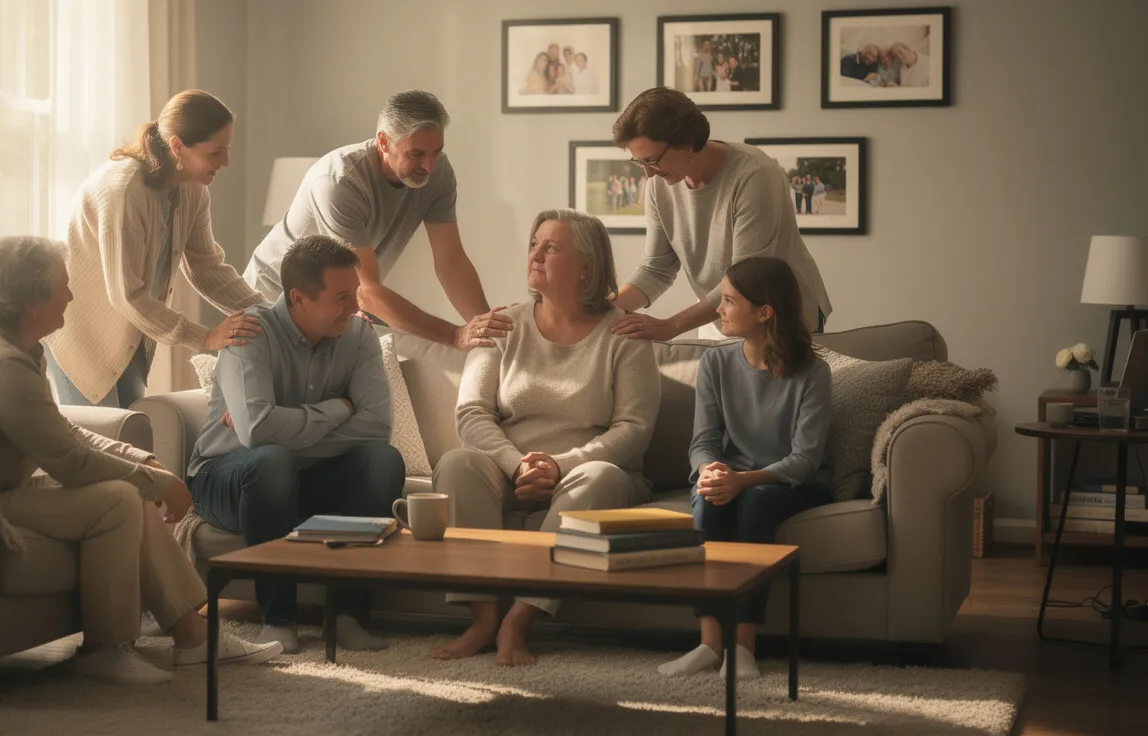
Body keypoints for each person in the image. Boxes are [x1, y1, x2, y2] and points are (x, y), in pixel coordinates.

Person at [0, 236, 282, 685]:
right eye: (61, 287)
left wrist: (140, 460)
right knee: (118, 498)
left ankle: (193, 636)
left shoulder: (12, 349)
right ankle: (104, 649)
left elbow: (60, 432)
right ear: (32, 302)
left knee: (127, 487)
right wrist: (156, 483)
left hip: (0, 489)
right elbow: (70, 462)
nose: (70, 296)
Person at [430, 209, 661, 666]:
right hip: (509, 469)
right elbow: (472, 413)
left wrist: (560, 466)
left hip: (587, 473)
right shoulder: (500, 325)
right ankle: (482, 618)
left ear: (586, 268)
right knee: (457, 463)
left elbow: (634, 430)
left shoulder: (625, 335)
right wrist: (519, 464)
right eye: (534, 243)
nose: (534, 253)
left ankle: (520, 619)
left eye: (551, 247)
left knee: (600, 478)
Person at [189, 235, 406, 655]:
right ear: (299, 299)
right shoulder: (249, 333)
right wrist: (339, 409)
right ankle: (277, 619)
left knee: (382, 460)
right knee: (270, 463)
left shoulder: (358, 336)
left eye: (356, 294)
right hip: (225, 478)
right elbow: (254, 436)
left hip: (297, 475)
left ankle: (348, 615)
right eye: (343, 297)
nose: (355, 307)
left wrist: (284, 428)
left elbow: (377, 426)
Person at [657, 256, 833, 680]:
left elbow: (805, 460)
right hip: (732, 477)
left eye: (729, 300)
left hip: (794, 483)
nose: (718, 309)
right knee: (708, 500)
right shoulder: (716, 365)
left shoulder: (813, 372)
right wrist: (708, 472)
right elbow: (703, 442)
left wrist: (743, 479)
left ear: (764, 312)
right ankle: (709, 643)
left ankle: (743, 648)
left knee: (753, 503)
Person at [44, 89, 265, 409]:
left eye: (227, 150)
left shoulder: (193, 189)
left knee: (132, 441)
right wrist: (205, 338)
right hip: (81, 338)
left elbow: (207, 268)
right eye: (216, 152)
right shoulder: (122, 191)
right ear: (178, 147)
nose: (226, 162)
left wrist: (272, 313)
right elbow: (127, 294)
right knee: (101, 447)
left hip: (130, 336)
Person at [244, 90, 510, 351]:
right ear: (384, 142)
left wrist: (488, 329)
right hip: (272, 296)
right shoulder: (340, 182)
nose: (429, 166)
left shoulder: (438, 175)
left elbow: (451, 262)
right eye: (416, 154)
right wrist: (453, 335)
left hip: (337, 300)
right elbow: (366, 291)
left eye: (436, 151)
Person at [608, 87, 832, 341]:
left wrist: (671, 326)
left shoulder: (755, 175)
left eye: (652, 160)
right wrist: (602, 311)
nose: (648, 174)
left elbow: (746, 279)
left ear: (689, 141)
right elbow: (655, 269)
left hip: (782, 316)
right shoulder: (660, 185)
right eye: (640, 163)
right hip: (722, 315)